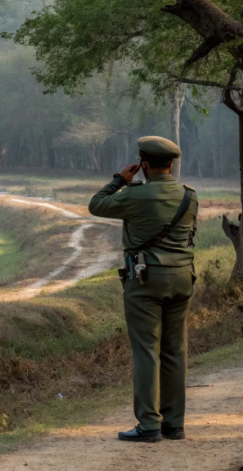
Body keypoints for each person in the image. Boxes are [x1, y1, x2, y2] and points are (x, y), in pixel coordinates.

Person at [88, 136, 198, 443]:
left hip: (145, 279)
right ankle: (174, 424)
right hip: (182, 278)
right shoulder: (190, 196)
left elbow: (96, 205)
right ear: (172, 165)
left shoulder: (135, 195)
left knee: (147, 350)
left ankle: (149, 424)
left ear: (143, 165)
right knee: (175, 350)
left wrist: (119, 180)